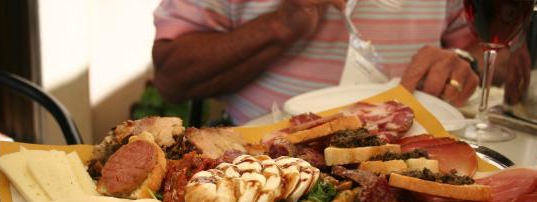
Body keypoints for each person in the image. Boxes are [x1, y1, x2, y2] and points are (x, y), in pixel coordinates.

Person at [152, 0, 483, 125]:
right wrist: (286, 21)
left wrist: (462, 62)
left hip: (411, 157)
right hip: (260, 162)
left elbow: (479, 47)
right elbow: (172, 78)